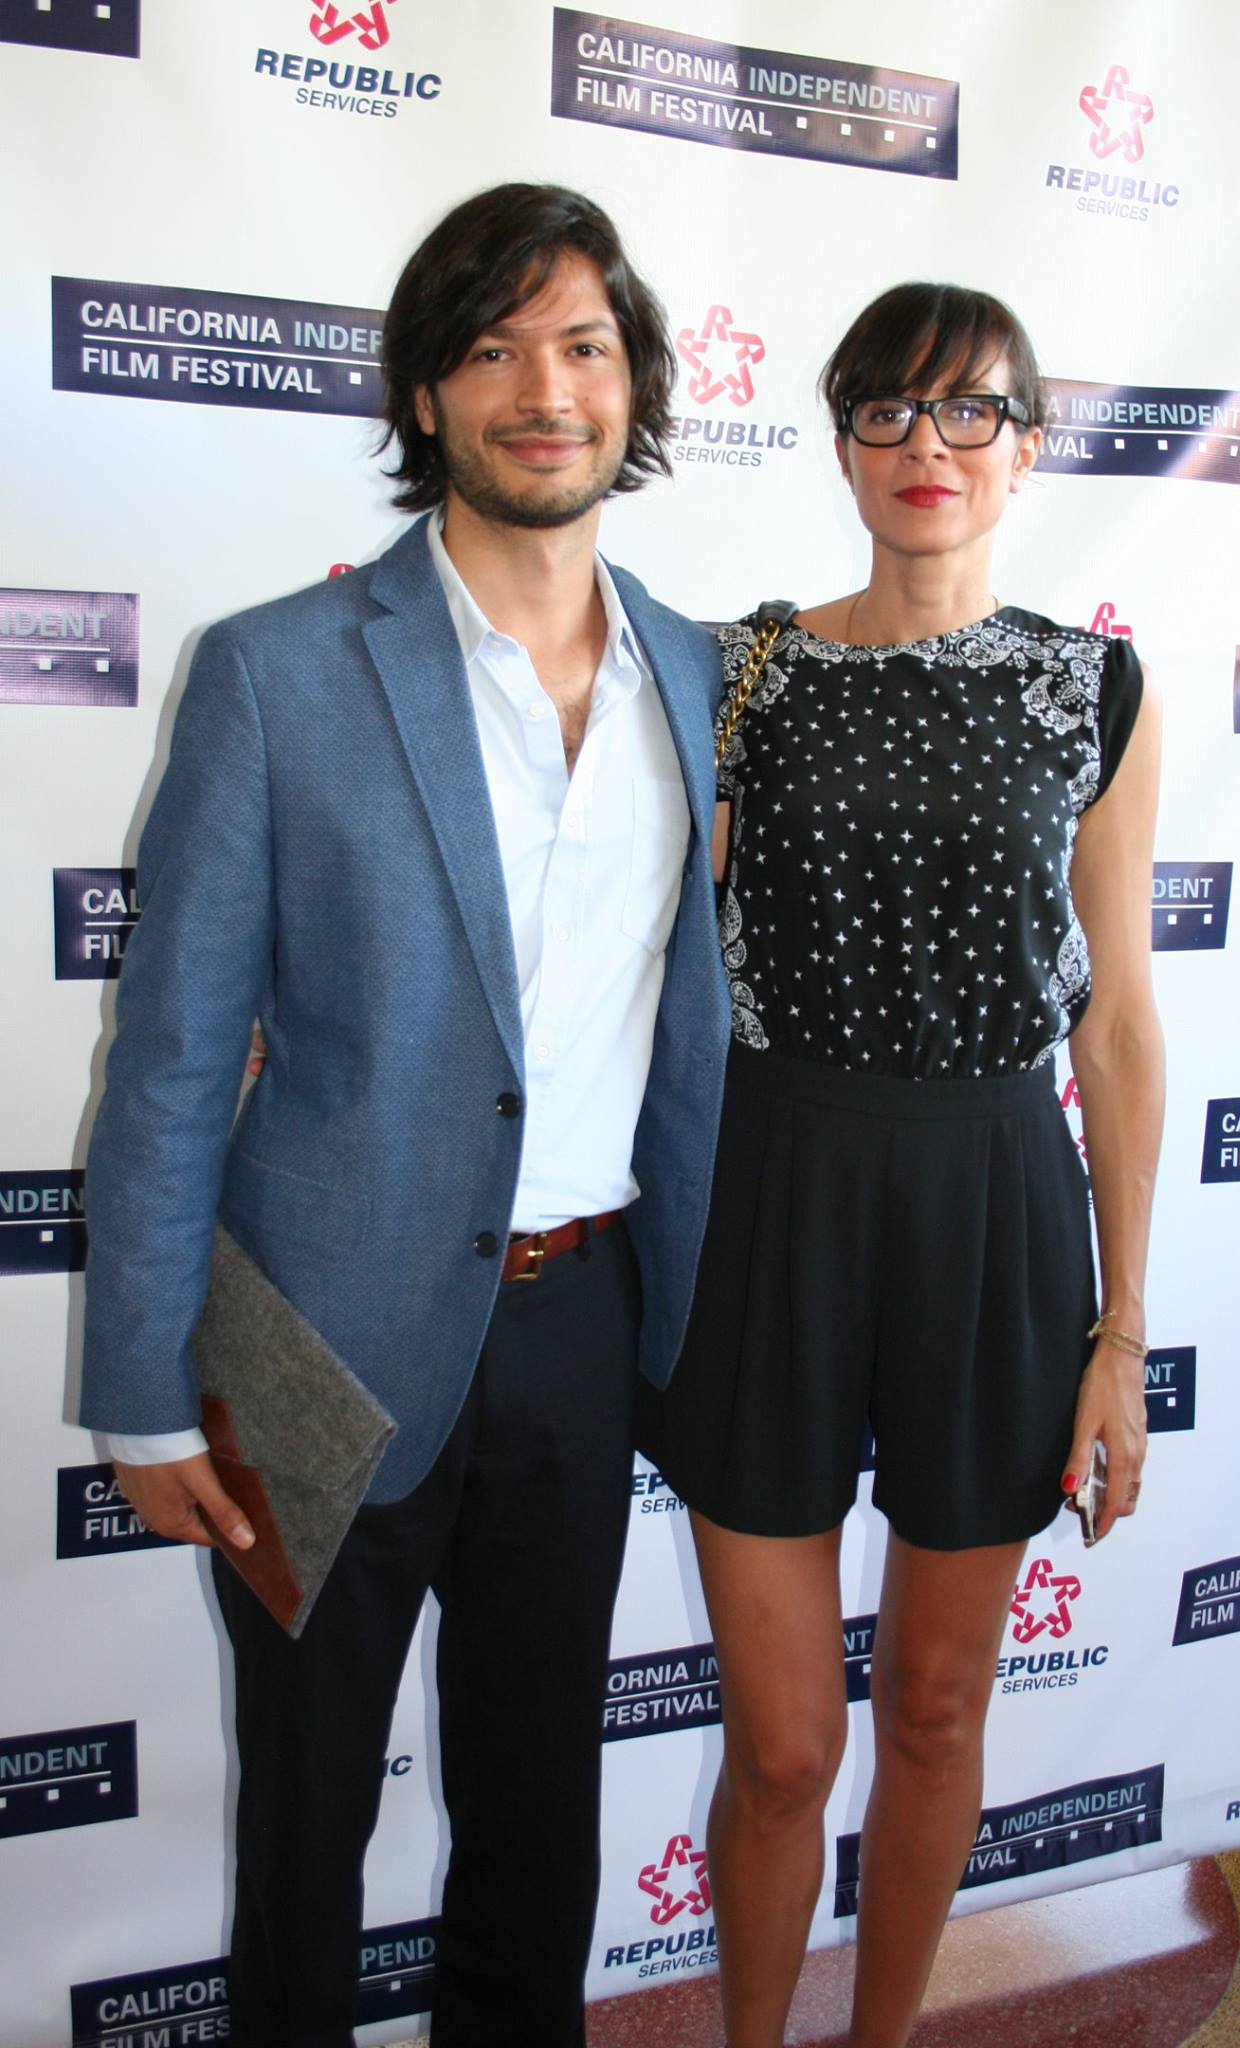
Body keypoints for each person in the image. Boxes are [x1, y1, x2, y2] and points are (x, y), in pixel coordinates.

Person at [78, 183, 730, 2048]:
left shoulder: (696, 676)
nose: (547, 387)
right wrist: (141, 1386)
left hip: (584, 1327)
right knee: (304, 1818)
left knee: (540, 1812)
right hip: (311, 1341)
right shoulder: (280, 670)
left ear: (637, 387)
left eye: (585, 346)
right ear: (426, 395)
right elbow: (176, 1057)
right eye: (494, 347)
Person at [637, 281, 1165, 2048]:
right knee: (783, 1742)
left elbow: (1114, 1031)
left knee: (938, 1709)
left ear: (1026, 447)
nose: (925, 448)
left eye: (969, 414)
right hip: (770, 1200)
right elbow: (624, 939)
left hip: (995, 1209)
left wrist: (1116, 1337)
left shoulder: (1092, 684)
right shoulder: (741, 670)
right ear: (839, 434)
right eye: (886, 411)